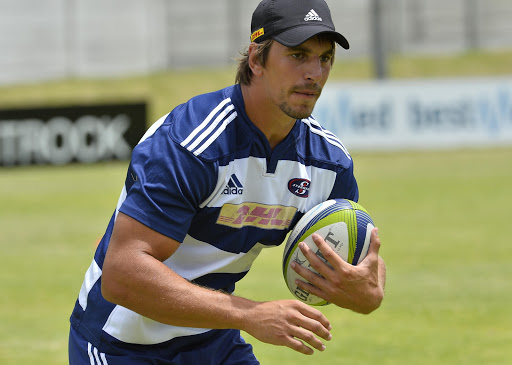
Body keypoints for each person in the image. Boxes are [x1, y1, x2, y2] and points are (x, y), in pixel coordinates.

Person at [68, 0, 386, 363]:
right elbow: (122, 274)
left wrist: (367, 291)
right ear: (256, 60)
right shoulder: (189, 145)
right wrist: (248, 315)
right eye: (298, 55)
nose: (315, 72)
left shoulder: (328, 164)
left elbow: (365, 262)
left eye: (325, 58)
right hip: (120, 342)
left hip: (210, 342)